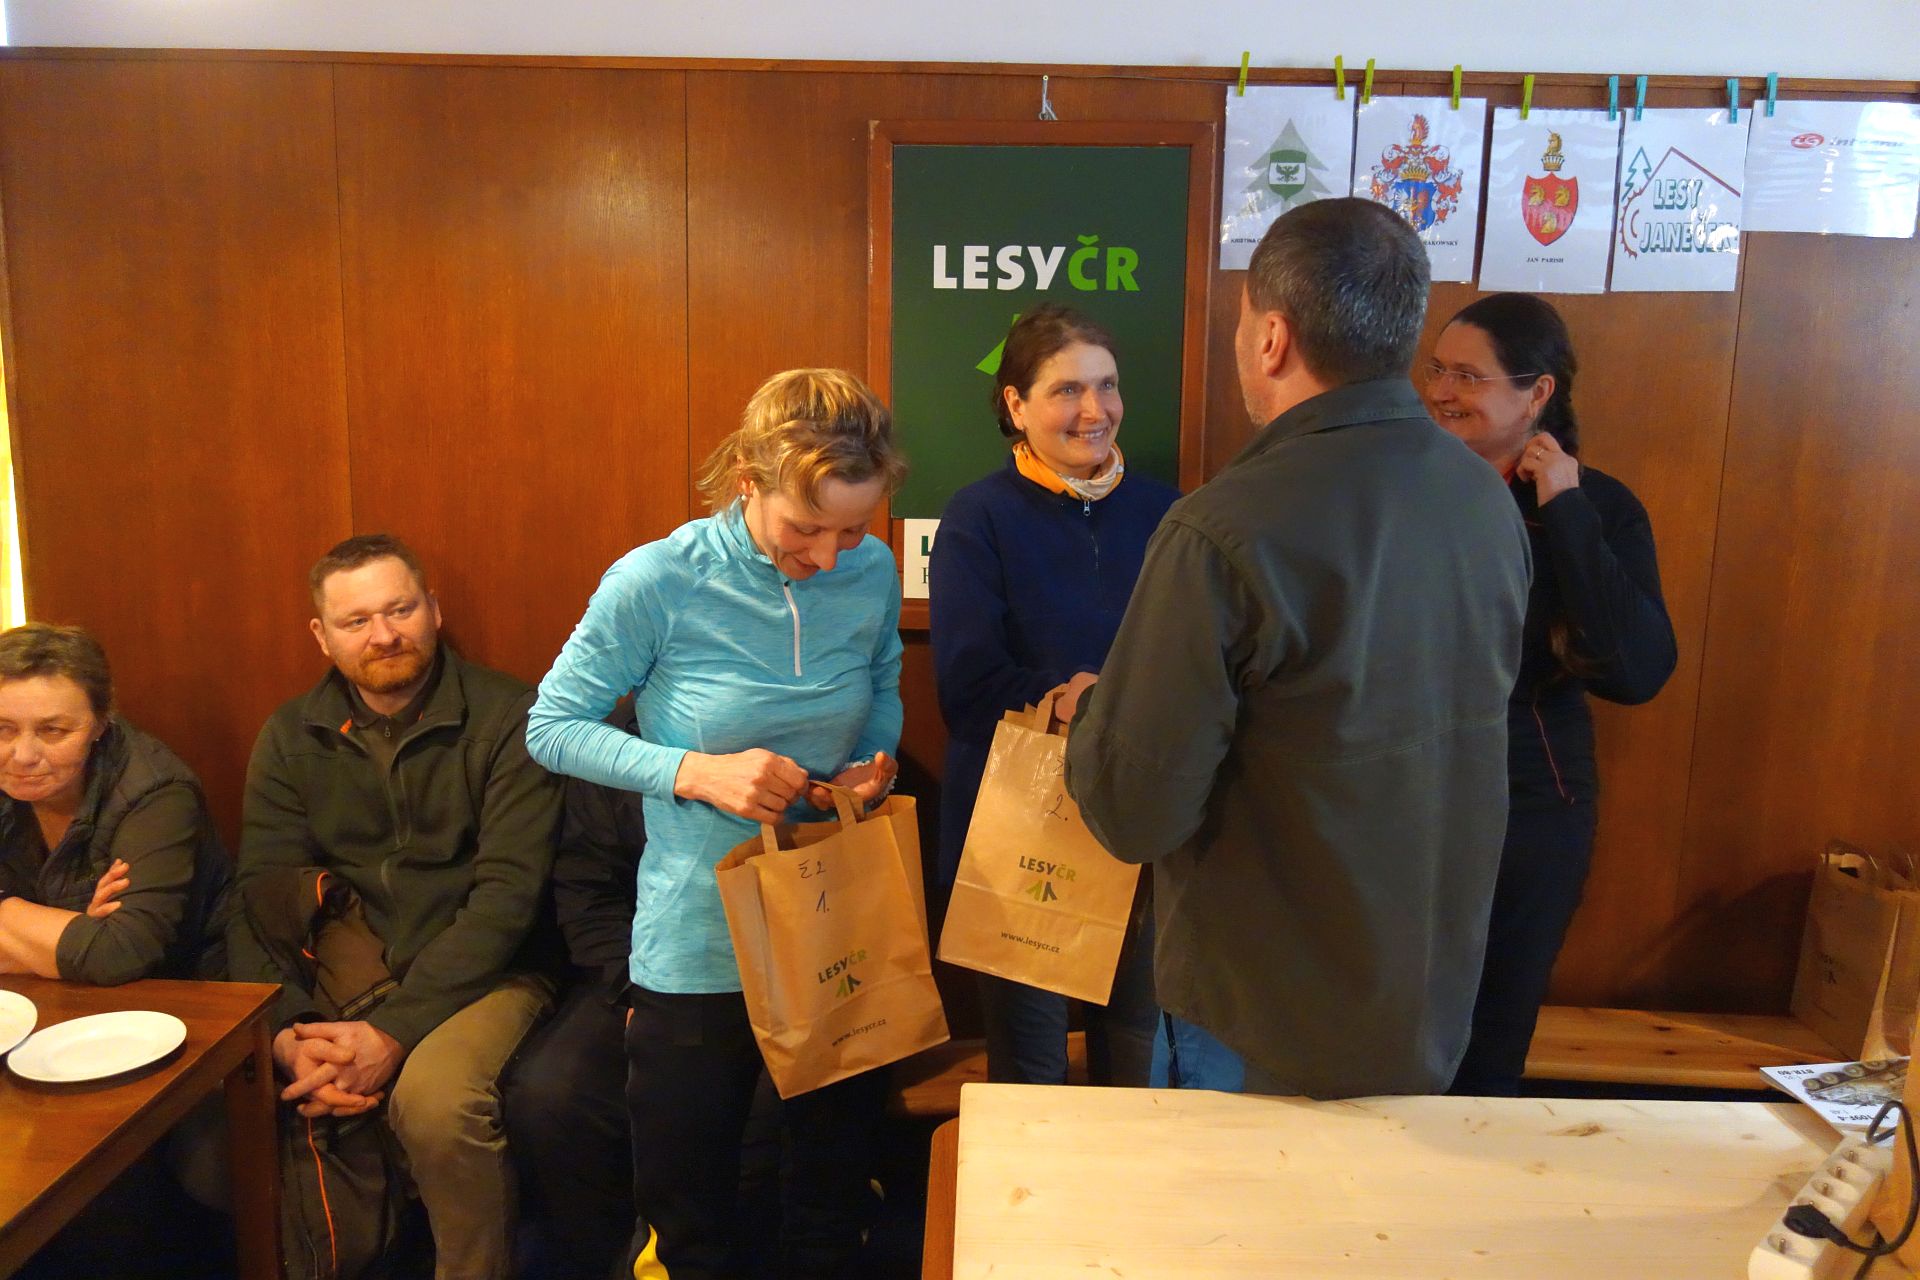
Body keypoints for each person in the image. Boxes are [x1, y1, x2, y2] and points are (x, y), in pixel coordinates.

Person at [1063, 198, 1531, 1099]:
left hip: (1261, 1022)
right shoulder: (1482, 500)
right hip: (1425, 1004)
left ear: (1272, 337)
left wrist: (1093, 713)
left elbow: (1132, 811)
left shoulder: (1224, 528)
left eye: (1243, 325)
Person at [526, 367, 907, 1280]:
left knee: (828, 1205)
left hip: (828, 925)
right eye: (804, 529)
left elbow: (883, 681)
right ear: (748, 482)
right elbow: (551, 727)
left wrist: (874, 759)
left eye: (854, 529)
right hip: (699, 945)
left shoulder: (872, 572)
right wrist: (696, 772)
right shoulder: (659, 580)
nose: (829, 557)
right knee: (692, 1221)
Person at [227, 533, 562, 1280]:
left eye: (400, 609)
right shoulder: (291, 735)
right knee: (255, 1103)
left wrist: (393, 1031)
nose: (384, 634)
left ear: (433, 609)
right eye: (356, 620)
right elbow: (260, 897)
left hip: (491, 971)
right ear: (322, 635)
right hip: (345, 971)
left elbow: (508, 900)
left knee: (435, 1103)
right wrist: (286, 1035)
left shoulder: (510, 716)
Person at [1420, 293, 1677, 1096]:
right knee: (1391, 1031)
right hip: (1402, 794)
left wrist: (1564, 508)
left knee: (1490, 1047)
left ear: (1537, 394)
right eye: (1436, 370)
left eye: (1468, 376)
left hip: (1530, 807)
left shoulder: (1597, 506)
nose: (1441, 392)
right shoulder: (1403, 489)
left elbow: (1638, 671)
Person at [929, 304, 1177, 1087]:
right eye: (1068, 390)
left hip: (1136, 823)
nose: (1094, 410)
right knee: (1031, 1071)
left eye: (1107, 386)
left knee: (1136, 1065)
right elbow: (967, 686)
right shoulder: (978, 516)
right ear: (1016, 404)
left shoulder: (1170, 515)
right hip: (1020, 828)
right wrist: (1077, 701)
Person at [0, 623, 229, 984]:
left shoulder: (155, 791)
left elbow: (119, 954)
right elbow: (89, 953)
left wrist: (14, 923)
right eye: (3, 729)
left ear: (100, 724)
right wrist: (71, 937)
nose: (23, 755)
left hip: (175, 996)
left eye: (53, 730)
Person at [502, 708, 646, 1280]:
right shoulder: (612, 740)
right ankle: (602, 1261)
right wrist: (637, 991)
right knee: (548, 1096)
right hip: (638, 974)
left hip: (782, 980)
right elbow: (588, 891)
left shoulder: (812, 723)